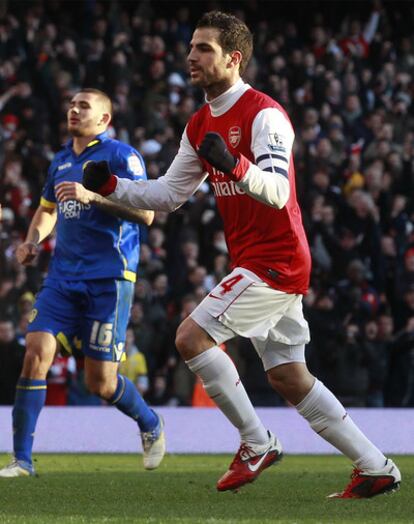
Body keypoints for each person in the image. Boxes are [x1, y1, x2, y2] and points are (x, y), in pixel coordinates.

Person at [57, 13, 400, 498]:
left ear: (233, 58)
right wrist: (112, 187)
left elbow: (279, 193)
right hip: (257, 259)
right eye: (192, 47)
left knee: (191, 337)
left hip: (275, 258)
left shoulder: (264, 114)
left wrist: (233, 162)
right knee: (288, 376)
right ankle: (375, 466)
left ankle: (256, 442)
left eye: (204, 49)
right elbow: (167, 195)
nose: (191, 57)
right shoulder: (199, 124)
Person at [0, 88, 165, 478]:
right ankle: (22, 460)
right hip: (62, 277)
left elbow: (146, 214)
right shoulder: (60, 161)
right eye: (71, 104)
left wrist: (94, 197)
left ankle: (150, 422)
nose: (74, 110)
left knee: (100, 383)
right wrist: (31, 241)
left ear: (104, 119)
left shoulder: (121, 156)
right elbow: (47, 211)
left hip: (109, 277)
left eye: (84, 106)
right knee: (36, 351)